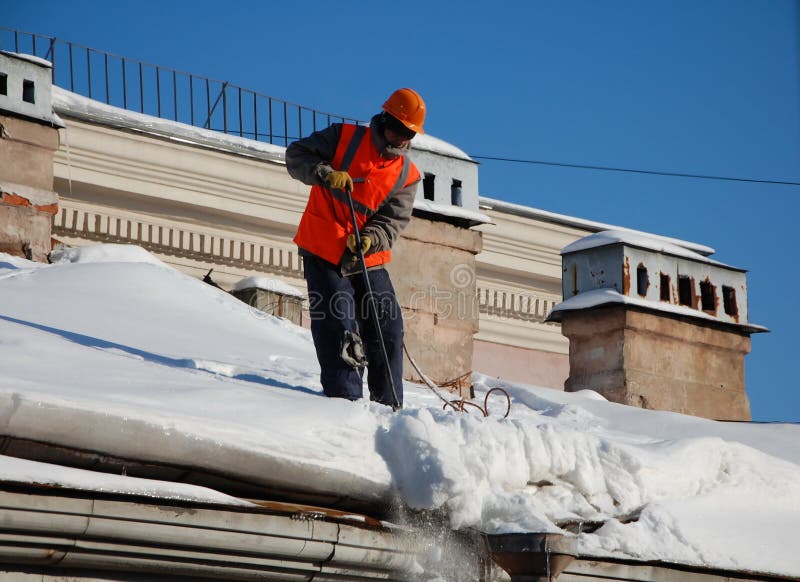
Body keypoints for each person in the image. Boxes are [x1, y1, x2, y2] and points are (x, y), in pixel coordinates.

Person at [285, 88, 426, 409]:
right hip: (323, 248)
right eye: (400, 130)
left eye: (409, 135)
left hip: (367, 257)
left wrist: (369, 239)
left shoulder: (407, 174)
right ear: (385, 119)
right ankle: (344, 401)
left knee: (388, 326)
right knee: (339, 325)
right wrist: (324, 173)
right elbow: (296, 156)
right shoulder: (343, 137)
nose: (402, 139)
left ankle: (388, 406)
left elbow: (392, 221)